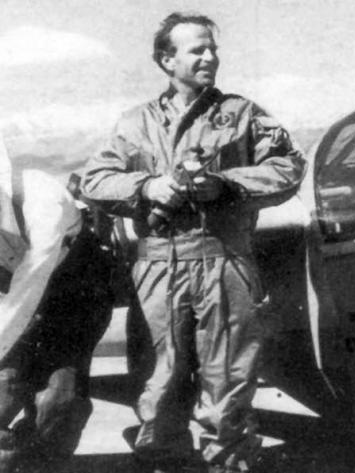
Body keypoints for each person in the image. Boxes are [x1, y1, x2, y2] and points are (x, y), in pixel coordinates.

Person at [81, 12, 306, 473]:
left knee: (229, 384)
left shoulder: (242, 114)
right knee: (158, 386)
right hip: (157, 264)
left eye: (212, 48)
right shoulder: (135, 122)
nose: (209, 56)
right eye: (196, 50)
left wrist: (225, 185)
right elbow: (95, 180)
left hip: (223, 260)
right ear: (167, 60)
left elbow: (287, 167)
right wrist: (147, 187)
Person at [0, 133, 114, 472]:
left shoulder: (41, 201)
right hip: (17, 301)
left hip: (74, 297)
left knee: (59, 400)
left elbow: (23, 298)